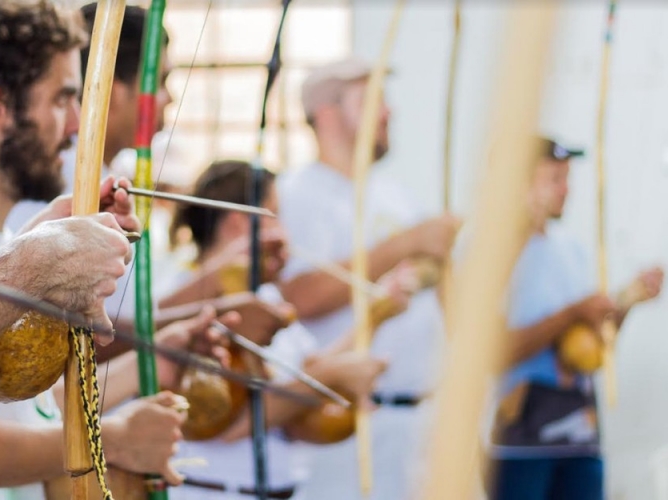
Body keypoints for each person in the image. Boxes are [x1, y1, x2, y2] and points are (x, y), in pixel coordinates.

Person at [0, 2, 233, 499]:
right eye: (62, 99)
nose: (77, 123)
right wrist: (114, 441)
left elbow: (30, 406)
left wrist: (161, 362)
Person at [276, 56, 460, 499]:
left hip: (418, 422)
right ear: (327, 114)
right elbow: (297, 296)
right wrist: (404, 245)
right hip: (341, 427)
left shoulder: (395, 195)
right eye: (373, 99)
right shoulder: (294, 195)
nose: (388, 112)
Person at [160, 160, 399, 499]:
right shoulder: (187, 304)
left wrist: (376, 315)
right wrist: (331, 378)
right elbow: (232, 423)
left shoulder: (265, 295)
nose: (285, 232)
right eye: (275, 214)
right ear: (240, 223)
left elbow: (307, 367)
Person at [487, 137, 664, 500]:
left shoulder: (571, 248)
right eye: (555, 179)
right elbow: (492, 353)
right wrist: (571, 314)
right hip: (520, 441)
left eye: (568, 178)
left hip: (582, 436)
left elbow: (593, 345)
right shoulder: (492, 253)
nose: (566, 190)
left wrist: (627, 300)